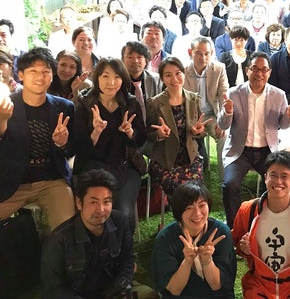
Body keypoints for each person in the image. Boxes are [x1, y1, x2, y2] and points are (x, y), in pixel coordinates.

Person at [218, 51, 290, 227]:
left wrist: (289, 115)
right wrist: (228, 112)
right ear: (247, 70)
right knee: (230, 185)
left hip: (267, 151)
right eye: (255, 68)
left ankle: (266, 223)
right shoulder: (233, 93)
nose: (259, 73)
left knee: (275, 184)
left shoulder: (278, 95)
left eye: (264, 69)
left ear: (269, 72)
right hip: (240, 151)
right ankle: (235, 226)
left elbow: (283, 125)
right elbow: (223, 126)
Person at [0, 47, 75, 231]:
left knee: (67, 228)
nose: (40, 77)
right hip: (13, 181)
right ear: (21, 75)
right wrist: (2, 121)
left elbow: (73, 149)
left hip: (52, 180)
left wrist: (61, 143)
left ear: (52, 75)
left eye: (45, 71)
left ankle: (52, 250)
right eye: (33, 71)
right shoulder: (5, 105)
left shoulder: (65, 107)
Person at [232, 150, 290, 298]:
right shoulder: (248, 210)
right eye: (273, 175)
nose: (278, 182)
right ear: (265, 177)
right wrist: (244, 249)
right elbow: (236, 243)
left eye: (284, 176)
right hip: (258, 284)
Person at [74, 58, 147, 232]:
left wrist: (130, 132)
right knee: (96, 210)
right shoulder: (84, 103)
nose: (111, 82)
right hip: (92, 165)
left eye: (117, 77)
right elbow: (78, 147)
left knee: (125, 212)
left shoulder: (130, 102)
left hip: (126, 164)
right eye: (105, 76)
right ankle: (95, 244)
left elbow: (141, 139)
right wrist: (96, 132)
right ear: (97, 78)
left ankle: (125, 247)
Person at [41, 169, 134, 298]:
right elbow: (54, 288)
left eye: (106, 202)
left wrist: (120, 286)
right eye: (94, 202)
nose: (101, 209)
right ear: (79, 203)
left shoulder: (120, 221)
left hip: (112, 292)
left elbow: (128, 260)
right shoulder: (59, 240)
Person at [152, 180, 236, 298]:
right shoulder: (165, 238)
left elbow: (217, 286)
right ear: (179, 212)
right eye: (189, 208)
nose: (197, 213)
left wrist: (207, 261)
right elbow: (174, 290)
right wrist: (187, 261)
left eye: (202, 205)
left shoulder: (221, 232)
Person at [146, 57, 208, 196]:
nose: (174, 79)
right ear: (162, 78)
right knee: (182, 191)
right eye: (168, 75)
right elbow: (147, 135)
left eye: (178, 73)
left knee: (195, 191)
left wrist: (198, 132)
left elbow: (201, 132)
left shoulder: (194, 99)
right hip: (164, 161)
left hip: (190, 159)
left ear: (184, 74)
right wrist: (159, 135)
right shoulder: (154, 104)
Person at [184, 37, 229, 179]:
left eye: (206, 54)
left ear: (212, 54)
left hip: (211, 115)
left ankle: (224, 180)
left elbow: (224, 97)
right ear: (190, 52)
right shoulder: (183, 70)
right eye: (198, 53)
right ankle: (193, 172)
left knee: (223, 136)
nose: (202, 58)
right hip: (190, 116)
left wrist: (222, 121)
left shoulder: (219, 69)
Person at [121, 41, 163, 124]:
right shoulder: (117, 81)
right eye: (130, 57)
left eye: (139, 57)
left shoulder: (157, 80)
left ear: (146, 60)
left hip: (153, 126)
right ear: (122, 60)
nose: (135, 61)